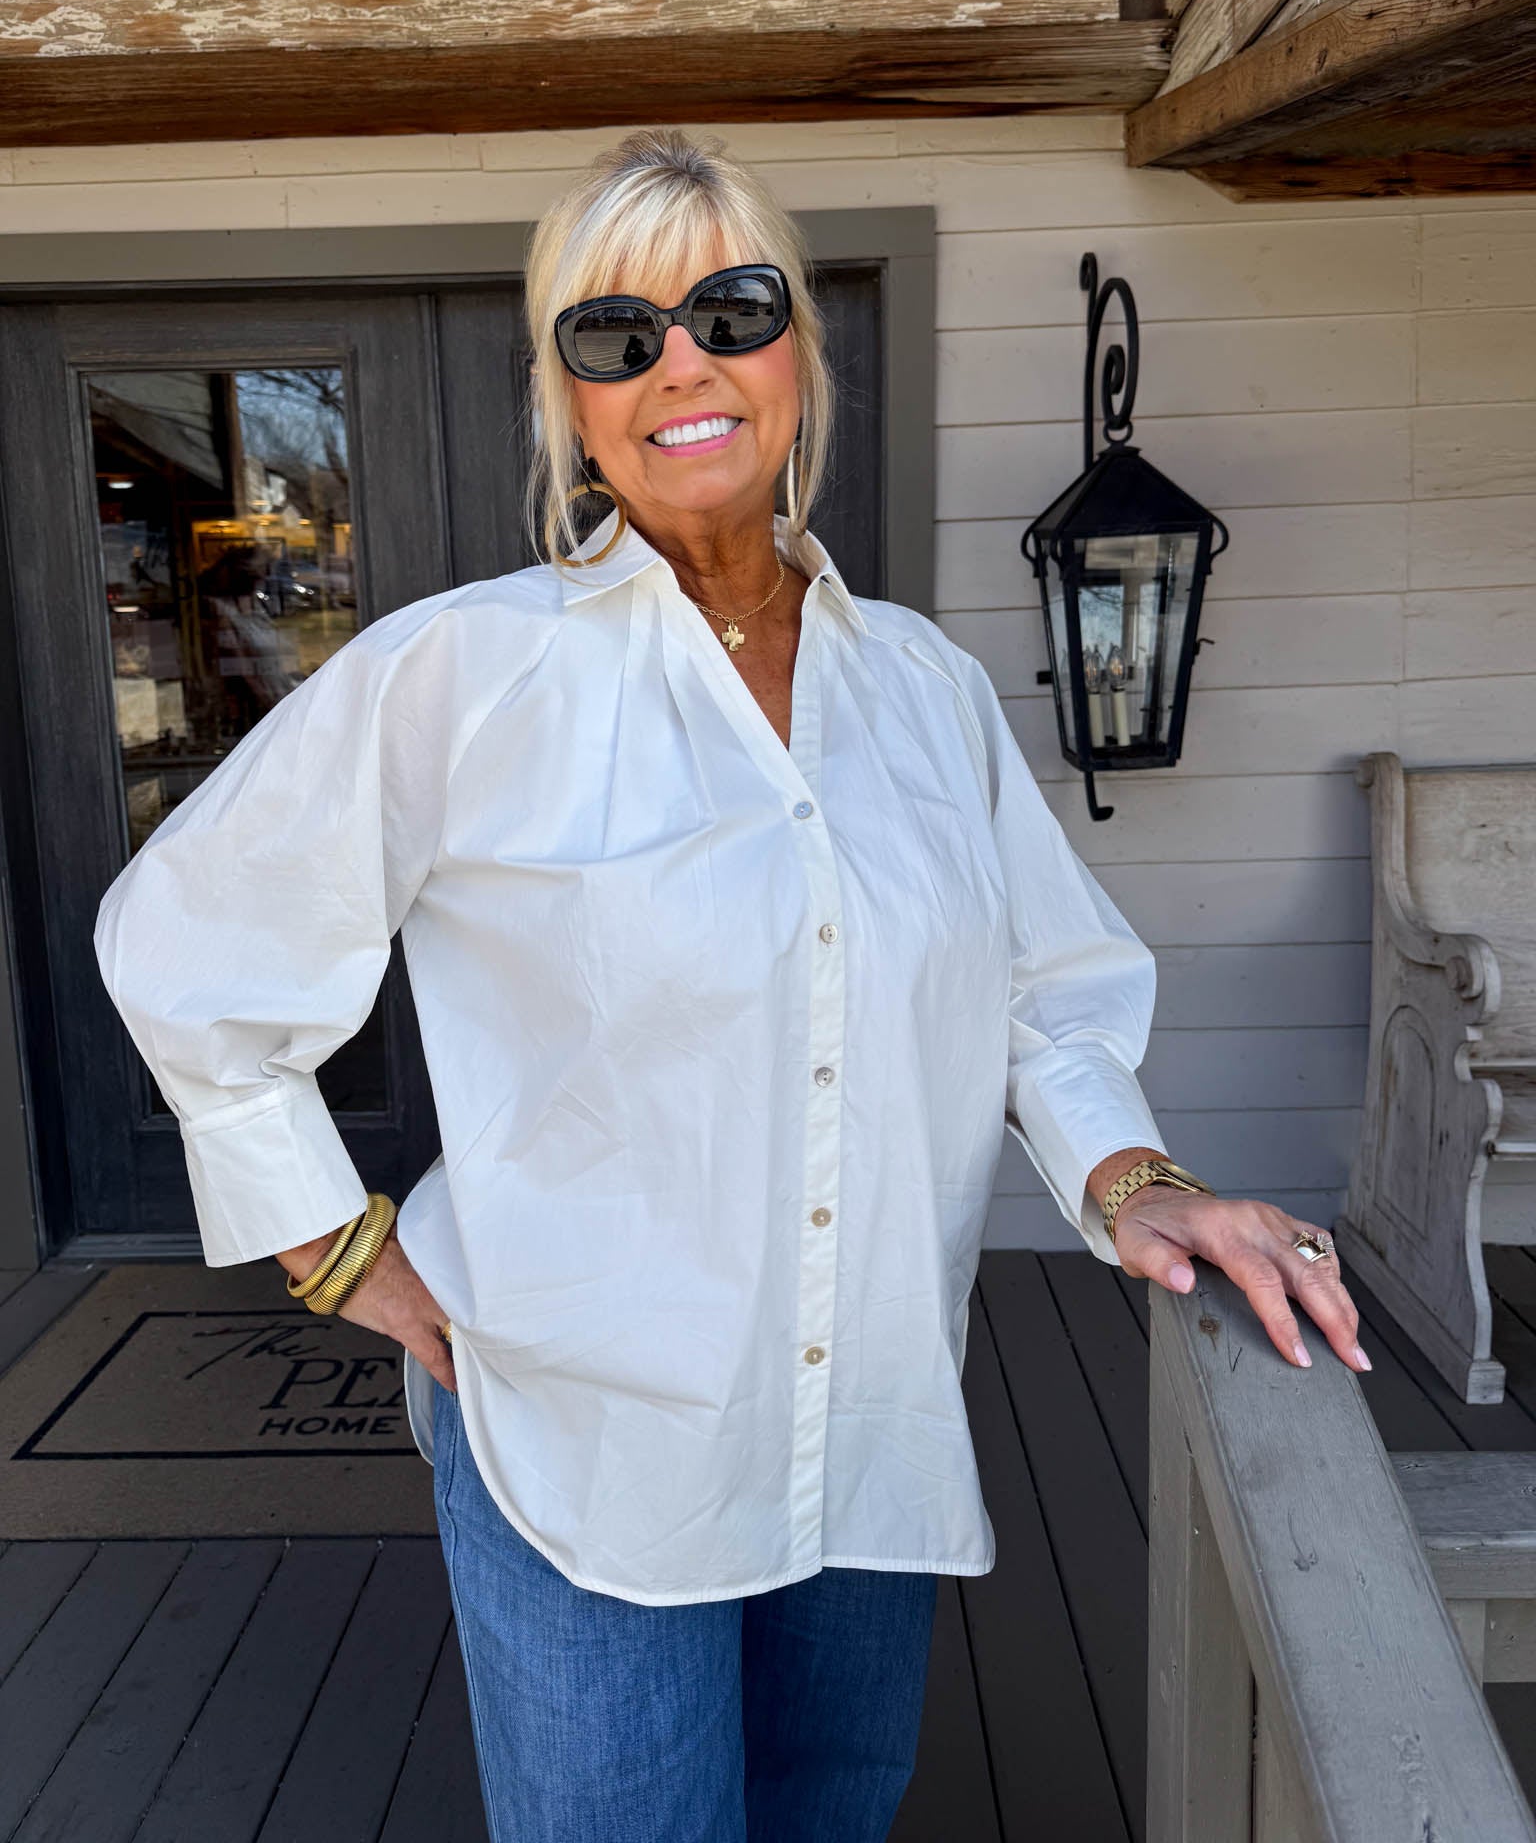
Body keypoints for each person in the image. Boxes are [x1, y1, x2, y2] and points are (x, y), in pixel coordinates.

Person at [93, 127, 1369, 1843]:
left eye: (731, 309)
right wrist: (332, 1245)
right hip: (583, 1436)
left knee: (835, 1810)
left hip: (868, 1414)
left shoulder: (918, 687)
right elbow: (186, 941)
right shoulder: (466, 674)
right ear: (571, 405)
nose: (680, 362)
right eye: (615, 334)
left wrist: (1140, 1182)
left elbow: (1040, 989)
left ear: (797, 354)